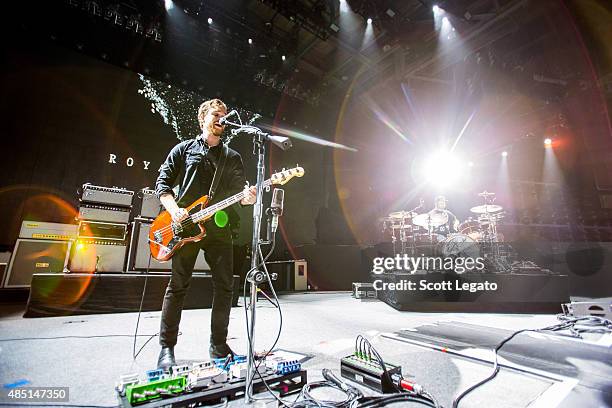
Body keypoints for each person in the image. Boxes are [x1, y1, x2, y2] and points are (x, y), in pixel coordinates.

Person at [155, 98, 256, 371]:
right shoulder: (183, 149)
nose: (221, 118)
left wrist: (248, 198)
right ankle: (166, 348)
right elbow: (162, 185)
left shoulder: (232, 157)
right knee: (178, 286)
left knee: (225, 287)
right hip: (184, 227)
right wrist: (175, 210)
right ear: (203, 119)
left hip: (219, 229)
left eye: (224, 114)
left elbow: (240, 194)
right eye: (215, 114)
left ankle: (218, 345)